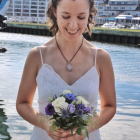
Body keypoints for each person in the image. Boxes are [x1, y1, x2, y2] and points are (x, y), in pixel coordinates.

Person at [16, 0, 116, 140]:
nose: (73, 25)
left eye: (81, 17)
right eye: (66, 16)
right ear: (54, 12)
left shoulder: (101, 58)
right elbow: (22, 103)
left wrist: (87, 127)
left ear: (89, 14)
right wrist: (45, 124)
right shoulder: (36, 56)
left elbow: (110, 106)